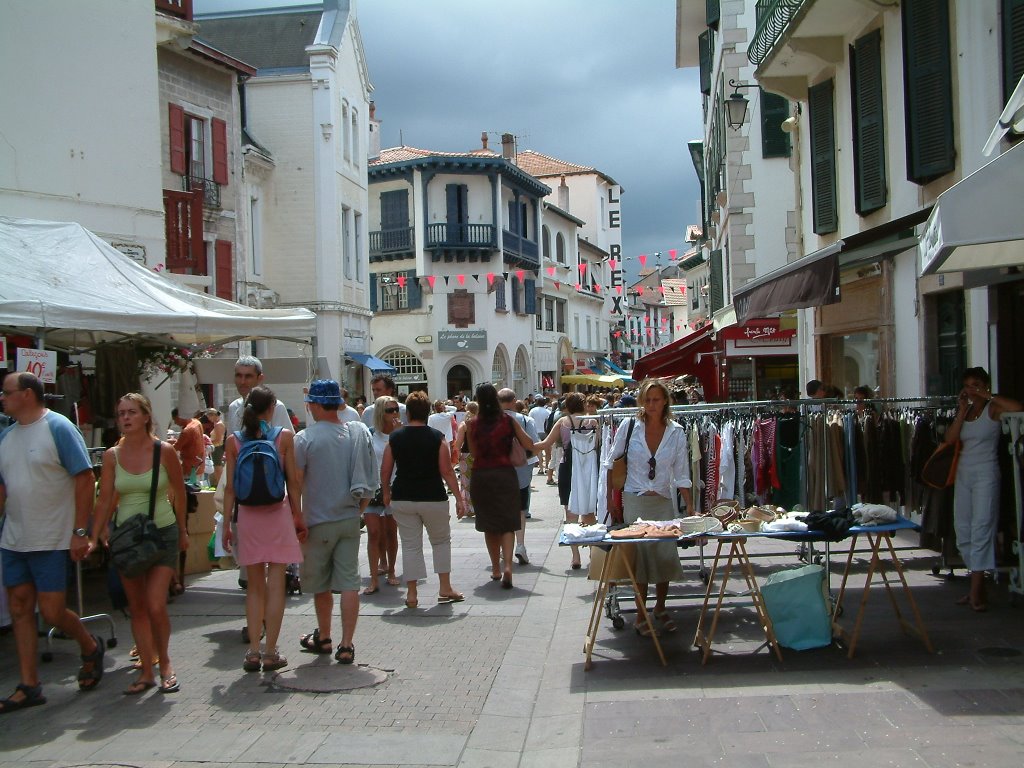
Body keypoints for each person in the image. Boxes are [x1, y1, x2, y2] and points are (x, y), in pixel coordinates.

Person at [0, 372, 105, 713]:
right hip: (15, 537)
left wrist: (79, 531)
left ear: (27, 395)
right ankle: (29, 684)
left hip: (51, 536)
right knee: (19, 607)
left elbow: (85, 477)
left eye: (7, 392)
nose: (2, 398)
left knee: (51, 611)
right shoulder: (6, 436)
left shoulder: (58, 427)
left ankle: (89, 646)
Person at [92, 393, 188, 694]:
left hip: (161, 532)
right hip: (128, 538)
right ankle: (146, 670)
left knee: (156, 603)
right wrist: (94, 534)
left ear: (146, 416)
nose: (125, 418)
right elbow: (106, 498)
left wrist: (183, 529)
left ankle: (166, 663)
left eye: (132, 412)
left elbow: (180, 491)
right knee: (137, 607)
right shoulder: (112, 456)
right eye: (121, 413)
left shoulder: (164, 451)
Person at [222, 385, 307, 672]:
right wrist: (298, 516)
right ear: (271, 409)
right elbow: (293, 482)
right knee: (276, 584)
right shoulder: (283, 437)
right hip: (277, 515)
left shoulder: (234, 442)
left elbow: (231, 489)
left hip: (247, 517)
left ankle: (253, 651)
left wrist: (226, 526)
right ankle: (271, 651)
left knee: (254, 587)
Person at [294, 380, 377, 664]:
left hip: (317, 521)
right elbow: (368, 481)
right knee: (349, 582)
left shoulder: (305, 439)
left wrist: (297, 517)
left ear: (314, 404)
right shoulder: (353, 434)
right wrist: (358, 510)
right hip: (349, 518)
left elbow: (295, 483)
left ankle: (325, 636)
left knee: (321, 585)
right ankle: (347, 644)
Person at [605, 378, 693, 636]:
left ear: (666, 400)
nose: (652, 405)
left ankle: (661, 607)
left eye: (656, 399)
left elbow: (681, 471)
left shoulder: (676, 431)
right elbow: (611, 462)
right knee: (641, 557)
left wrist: (690, 506)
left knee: (665, 555)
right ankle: (641, 612)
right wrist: (612, 500)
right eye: (647, 400)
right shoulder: (629, 425)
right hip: (635, 497)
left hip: (663, 499)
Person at [944, 367, 1022, 612]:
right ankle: (978, 584)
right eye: (968, 384)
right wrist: (961, 409)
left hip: (986, 473)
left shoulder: (993, 408)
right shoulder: (965, 412)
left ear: (985, 384)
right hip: (964, 473)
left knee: (981, 527)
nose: (971, 389)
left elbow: (1018, 407)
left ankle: (976, 590)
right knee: (963, 528)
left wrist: (988, 395)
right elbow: (950, 439)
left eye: (976, 384)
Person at [380, 391, 466, 608]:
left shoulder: (395, 438)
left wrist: (386, 492)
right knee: (440, 541)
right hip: (432, 496)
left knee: (410, 545)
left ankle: (411, 593)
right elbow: (446, 470)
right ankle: (445, 587)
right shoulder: (437, 437)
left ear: (407, 413)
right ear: (428, 412)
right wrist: (459, 497)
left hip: (403, 496)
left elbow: (386, 469)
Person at [466, 384, 534, 589]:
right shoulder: (508, 420)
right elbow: (528, 442)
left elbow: (475, 452)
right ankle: (508, 568)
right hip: (505, 474)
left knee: (489, 523)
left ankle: (495, 568)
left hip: (482, 475)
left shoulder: (472, 424)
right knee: (507, 522)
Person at [534, 393, 599, 570]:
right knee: (589, 512)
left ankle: (575, 556)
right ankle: (593, 553)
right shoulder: (593, 422)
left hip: (568, 467)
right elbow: (599, 444)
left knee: (570, 513)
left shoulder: (563, 422)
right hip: (588, 468)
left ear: (567, 407)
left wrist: (528, 447)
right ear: (584, 404)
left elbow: (546, 443)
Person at [364, 395, 402, 593]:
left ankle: (392, 571)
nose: (395, 413)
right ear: (380, 413)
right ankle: (373, 579)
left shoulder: (400, 435)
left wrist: (398, 436)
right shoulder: (371, 435)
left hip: (395, 487)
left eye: (396, 409)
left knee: (390, 532)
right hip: (373, 488)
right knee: (373, 533)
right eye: (390, 410)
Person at [498, 388, 540, 565]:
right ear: (514, 401)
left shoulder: (491, 421)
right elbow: (534, 445)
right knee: (520, 509)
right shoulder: (524, 419)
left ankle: (503, 548)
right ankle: (520, 545)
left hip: (497, 471)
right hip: (521, 469)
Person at [452, 401, 479, 516]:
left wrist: (455, 458)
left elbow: (458, 444)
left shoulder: (464, 425)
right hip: (480, 455)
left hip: (467, 455)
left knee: (466, 482)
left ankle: (469, 508)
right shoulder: (483, 423)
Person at [528, 396, 552, 474]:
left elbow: (530, 421)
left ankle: (541, 467)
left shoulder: (532, 411)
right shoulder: (547, 411)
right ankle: (547, 467)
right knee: (547, 450)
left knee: (538, 451)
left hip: (536, 431)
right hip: (545, 432)